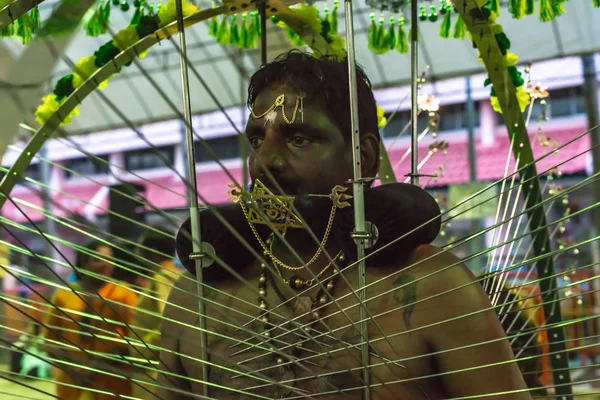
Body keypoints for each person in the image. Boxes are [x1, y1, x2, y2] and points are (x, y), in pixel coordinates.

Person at [155, 50, 531, 399]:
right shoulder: (197, 296)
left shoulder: (433, 286)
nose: (263, 161)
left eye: (298, 138)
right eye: (257, 140)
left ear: (363, 159)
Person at [41, 239, 138, 400]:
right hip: (72, 383)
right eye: (99, 259)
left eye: (110, 259)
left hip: (112, 383)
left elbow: (135, 343)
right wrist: (72, 368)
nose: (106, 265)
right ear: (84, 263)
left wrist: (97, 367)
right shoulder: (64, 295)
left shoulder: (123, 294)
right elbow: (49, 340)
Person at [130, 228, 180, 399]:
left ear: (152, 251)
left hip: (155, 368)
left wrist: (140, 349)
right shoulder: (177, 276)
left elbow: (170, 323)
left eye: (140, 248)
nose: (138, 253)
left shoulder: (163, 278)